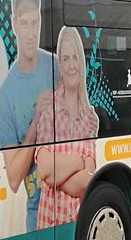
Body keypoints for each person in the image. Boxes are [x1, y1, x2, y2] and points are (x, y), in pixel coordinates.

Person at [0, 0, 55, 232]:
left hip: (68, 202)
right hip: (37, 213)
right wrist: (35, 123)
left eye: (35, 23)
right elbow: (13, 177)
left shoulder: (56, 65)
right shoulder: (7, 92)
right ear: (14, 26)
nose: (31, 33)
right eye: (24, 24)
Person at [33, 26, 100, 229]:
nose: (71, 65)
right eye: (65, 59)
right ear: (60, 68)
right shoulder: (48, 109)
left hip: (76, 226)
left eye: (75, 58)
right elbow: (44, 169)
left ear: (81, 62)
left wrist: (56, 178)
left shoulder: (90, 117)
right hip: (48, 225)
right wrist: (78, 161)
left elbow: (87, 182)